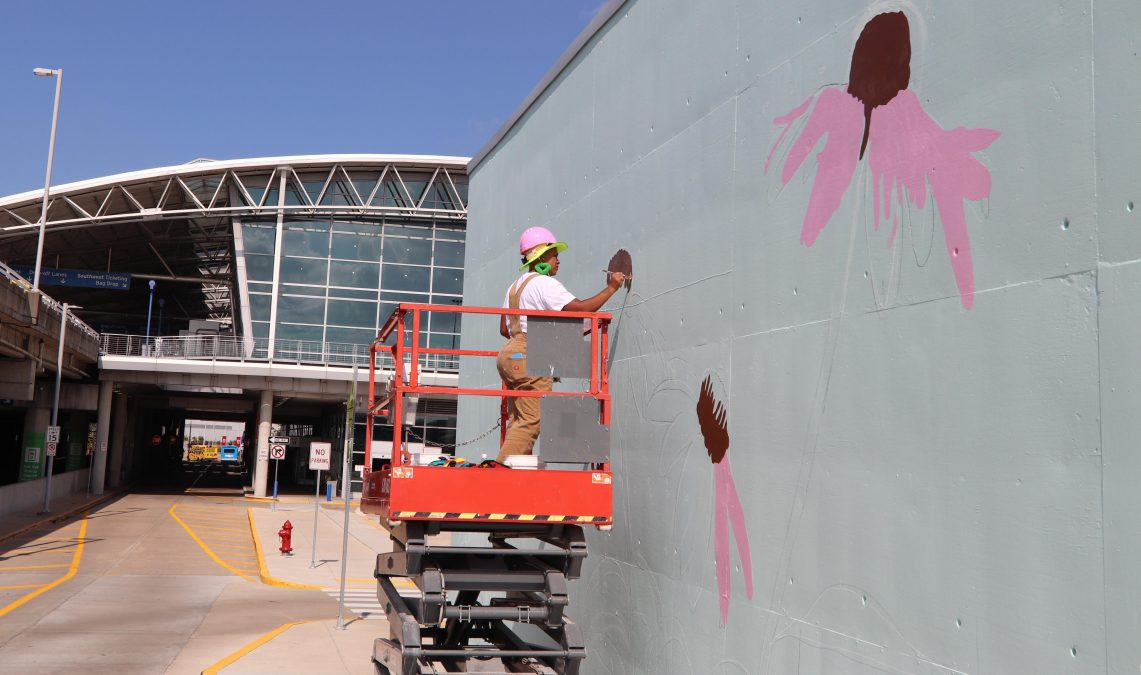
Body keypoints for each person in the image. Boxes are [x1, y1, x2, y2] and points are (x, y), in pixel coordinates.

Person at [497, 226, 625, 462]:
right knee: (531, 422)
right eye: (555, 254)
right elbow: (581, 309)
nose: (558, 260)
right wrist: (612, 287)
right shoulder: (544, 284)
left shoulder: (515, 287)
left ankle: (513, 475)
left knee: (519, 420)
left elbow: (504, 329)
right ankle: (496, 476)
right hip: (527, 354)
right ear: (541, 256)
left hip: (509, 354)